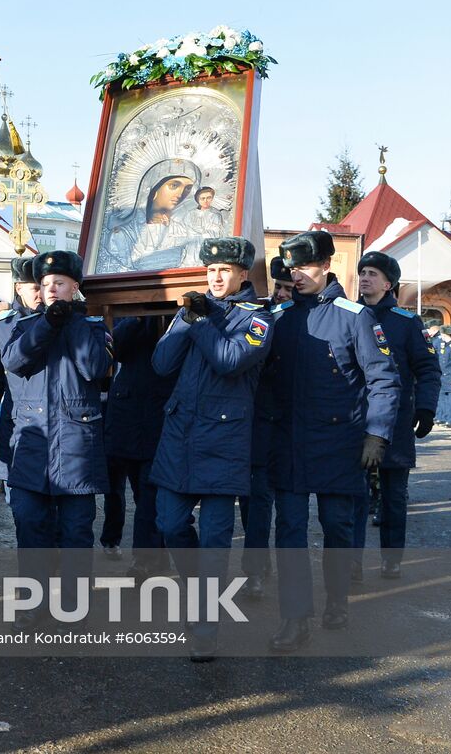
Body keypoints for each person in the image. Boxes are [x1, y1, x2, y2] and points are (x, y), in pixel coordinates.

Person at [263, 230, 398, 653]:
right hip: (289, 441)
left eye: (305, 266)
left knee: (337, 526)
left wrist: (377, 434)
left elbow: (383, 380)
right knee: (288, 529)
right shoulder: (281, 317)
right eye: (292, 268)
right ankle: (295, 618)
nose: (296, 275)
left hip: (339, 442)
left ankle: (337, 600)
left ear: (326, 265)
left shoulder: (354, 317)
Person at [150, 237, 273, 661]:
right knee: (170, 525)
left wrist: (201, 322)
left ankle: (205, 627)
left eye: (224, 270)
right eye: (210, 270)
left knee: (216, 542)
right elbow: (161, 364)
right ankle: (196, 589)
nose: (216, 277)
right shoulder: (194, 310)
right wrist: (186, 319)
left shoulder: (258, 318)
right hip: (180, 435)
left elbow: (229, 361)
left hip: (225, 441)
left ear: (243, 273)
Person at [0, 250, 112, 621]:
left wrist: (73, 320)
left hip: (76, 445)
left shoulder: (93, 326)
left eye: (59, 283)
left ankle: (74, 605)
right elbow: (14, 361)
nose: (50, 290)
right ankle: (32, 603)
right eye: (46, 284)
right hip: (32, 445)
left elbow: (95, 368)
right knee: (30, 526)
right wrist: (48, 324)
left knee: (76, 531)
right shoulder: (26, 325)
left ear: (74, 287)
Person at [350, 251, 440, 580]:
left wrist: (426, 408)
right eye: (362, 272)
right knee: (354, 495)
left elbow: (428, 368)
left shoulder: (406, 323)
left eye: (373, 274)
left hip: (395, 420)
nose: (365, 278)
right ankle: (352, 562)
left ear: (388, 284)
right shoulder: (348, 316)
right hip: (354, 420)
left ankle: (392, 559)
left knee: (393, 495)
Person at [238, 254, 296, 599]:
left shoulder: (306, 320)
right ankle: (256, 569)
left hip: (290, 427)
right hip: (258, 424)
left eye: (289, 288)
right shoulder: (260, 316)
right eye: (279, 287)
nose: (283, 294)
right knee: (254, 500)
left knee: (287, 508)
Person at [103, 314, 173, 577]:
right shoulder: (129, 315)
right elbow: (116, 347)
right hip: (128, 418)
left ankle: (145, 558)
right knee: (140, 493)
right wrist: (140, 315)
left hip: (161, 415)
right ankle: (157, 556)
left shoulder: (178, 316)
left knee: (149, 494)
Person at [0, 258, 44, 498]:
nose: (41, 294)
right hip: (16, 427)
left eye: (44, 286)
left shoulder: (57, 322)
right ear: (19, 287)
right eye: (35, 288)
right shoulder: (3, 326)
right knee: (21, 508)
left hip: (51, 430)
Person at [103, 158, 201, 272]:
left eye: (188, 188)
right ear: (154, 190)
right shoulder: (121, 235)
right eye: (174, 185)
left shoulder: (187, 233)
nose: (181, 194)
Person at [435, 325, 451, 427]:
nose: (442, 338)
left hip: (450, 376)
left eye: (444, 336)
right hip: (443, 376)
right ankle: (444, 417)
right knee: (443, 399)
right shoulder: (444, 345)